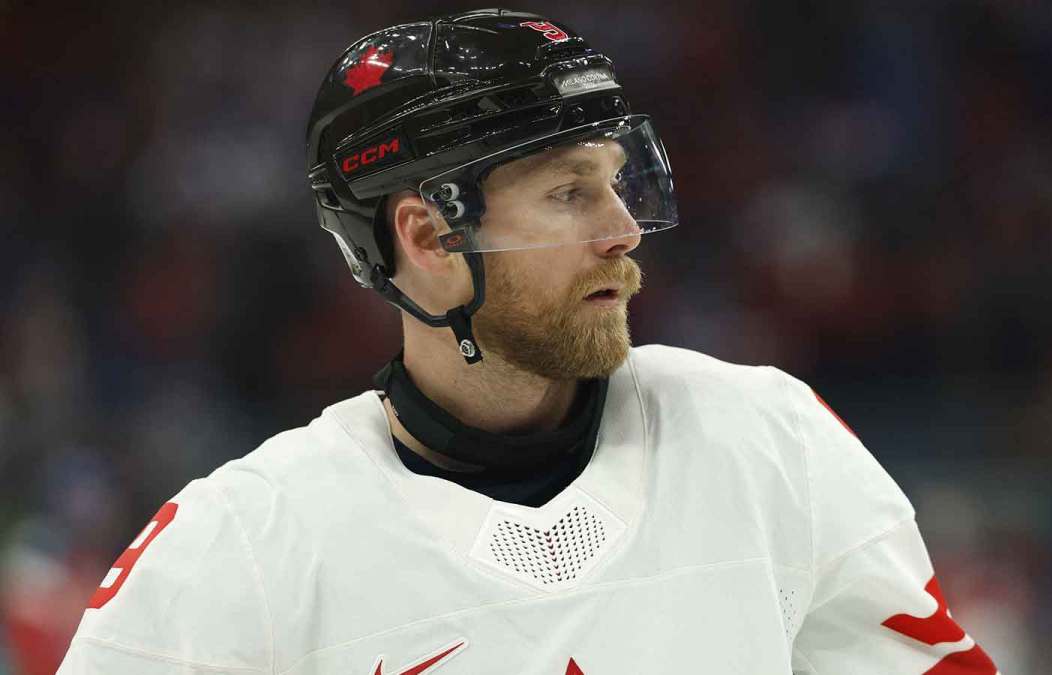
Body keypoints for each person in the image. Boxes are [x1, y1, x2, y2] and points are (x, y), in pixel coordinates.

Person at [58, 9, 998, 674]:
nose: (622, 228)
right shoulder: (239, 547)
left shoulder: (766, 441)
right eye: (567, 192)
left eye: (617, 182)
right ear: (426, 239)